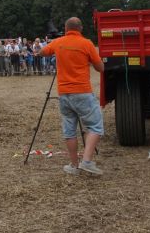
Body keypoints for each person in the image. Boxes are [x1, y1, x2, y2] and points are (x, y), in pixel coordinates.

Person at [41, 17, 105, 176]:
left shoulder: (58, 42)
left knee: (69, 131)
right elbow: (100, 68)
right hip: (82, 92)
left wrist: (52, 43)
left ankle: (74, 166)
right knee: (95, 126)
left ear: (66, 27)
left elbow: (41, 52)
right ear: (80, 28)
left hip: (64, 93)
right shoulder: (87, 43)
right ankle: (87, 161)